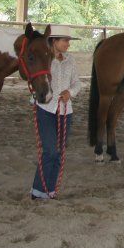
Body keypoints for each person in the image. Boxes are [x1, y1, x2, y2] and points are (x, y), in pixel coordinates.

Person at [31, 25, 82, 201]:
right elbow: (36, 81)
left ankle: (51, 189)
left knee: (59, 151)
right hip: (46, 109)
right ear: (54, 41)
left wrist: (70, 92)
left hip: (65, 112)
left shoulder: (70, 60)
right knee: (50, 151)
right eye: (65, 40)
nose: (68, 44)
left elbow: (77, 83)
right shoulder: (45, 60)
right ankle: (39, 190)